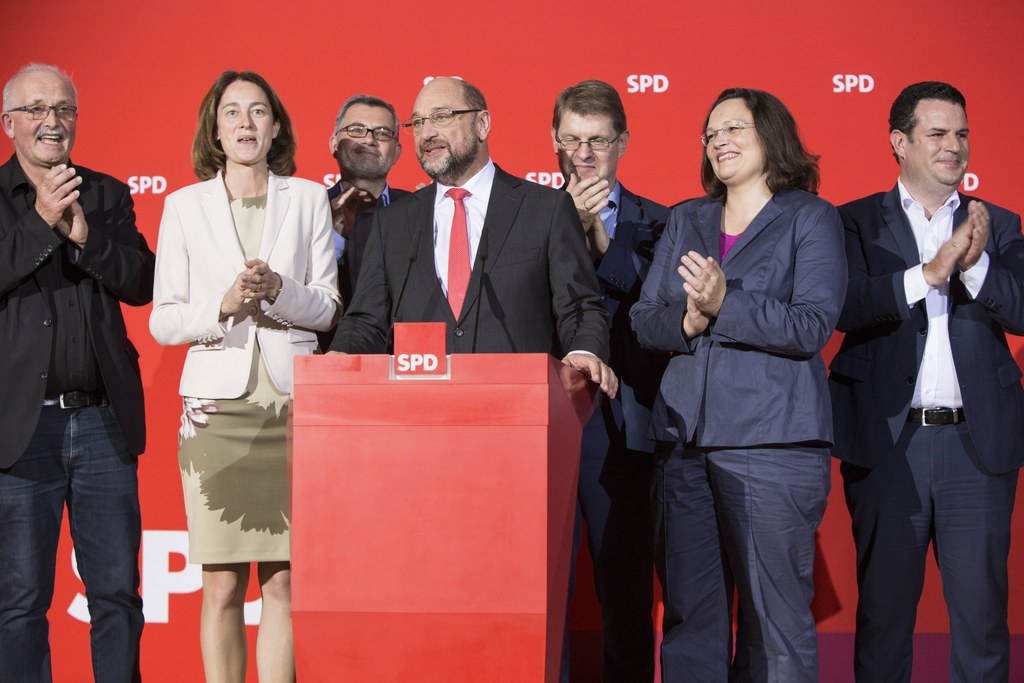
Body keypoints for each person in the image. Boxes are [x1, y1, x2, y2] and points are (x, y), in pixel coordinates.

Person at [631, 87, 846, 682]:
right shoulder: (686, 218)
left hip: (770, 446)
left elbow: (811, 324)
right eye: (711, 133)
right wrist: (688, 319)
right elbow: (645, 317)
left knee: (772, 626)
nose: (719, 140)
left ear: (770, 135)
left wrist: (727, 303)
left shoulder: (810, 216)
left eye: (735, 128)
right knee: (690, 621)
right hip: (683, 445)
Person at [829, 81, 1024, 682]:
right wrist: (928, 273)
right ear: (900, 142)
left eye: (962, 133)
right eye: (938, 133)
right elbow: (844, 305)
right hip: (890, 447)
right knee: (884, 621)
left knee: (983, 624)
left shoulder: (1001, 224)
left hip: (978, 449)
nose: (954, 146)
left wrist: (976, 264)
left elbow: (1021, 310)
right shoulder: (853, 222)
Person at [149, 70, 339, 683]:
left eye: (258, 112)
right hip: (216, 415)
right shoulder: (182, 206)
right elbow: (164, 321)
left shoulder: (310, 198)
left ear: (276, 126)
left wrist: (280, 292)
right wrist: (224, 306)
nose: (246, 124)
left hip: (293, 412)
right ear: (216, 129)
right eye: (232, 113)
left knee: (283, 583)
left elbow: (330, 307)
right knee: (222, 586)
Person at [0, 62, 153, 683]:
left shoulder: (108, 194)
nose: (51, 122)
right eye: (36, 109)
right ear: (9, 122)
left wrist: (86, 236)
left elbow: (142, 282)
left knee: (116, 594)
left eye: (63, 109)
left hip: (100, 425)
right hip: (19, 430)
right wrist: (40, 221)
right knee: (19, 602)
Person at [330, 77, 617, 399]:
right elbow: (365, 320)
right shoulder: (392, 223)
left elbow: (579, 305)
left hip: (519, 407)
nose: (427, 133)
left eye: (441, 117)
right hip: (419, 408)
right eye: (418, 122)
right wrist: (341, 354)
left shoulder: (545, 208)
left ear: (482, 124)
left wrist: (585, 350)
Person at [551, 79, 667, 682]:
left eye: (598, 140)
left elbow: (660, 312)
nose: (585, 154)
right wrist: (563, 230)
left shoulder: (662, 222)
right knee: (544, 594)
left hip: (627, 425)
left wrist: (598, 239)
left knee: (625, 589)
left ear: (622, 141)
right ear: (554, 143)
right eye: (572, 140)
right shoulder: (528, 218)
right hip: (549, 424)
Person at [327, 94, 409, 306]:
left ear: (396, 152)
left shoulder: (419, 210)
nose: (369, 140)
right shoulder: (306, 210)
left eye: (382, 133)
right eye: (356, 130)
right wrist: (334, 235)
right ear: (334, 144)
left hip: (401, 338)